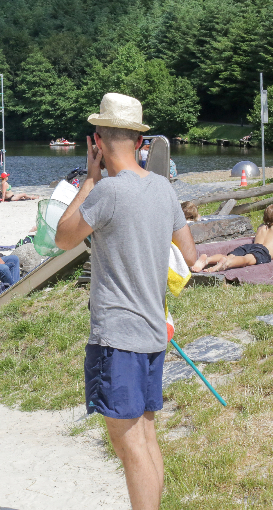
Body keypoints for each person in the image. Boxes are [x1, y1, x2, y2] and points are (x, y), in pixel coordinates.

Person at [54, 93, 196, 510]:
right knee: (146, 439)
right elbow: (188, 255)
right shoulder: (164, 190)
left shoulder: (106, 193)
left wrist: (89, 180)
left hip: (118, 337)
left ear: (97, 141)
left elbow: (62, 238)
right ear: (138, 140)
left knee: (129, 446)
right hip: (154, 333)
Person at [192, 204, 273, 273]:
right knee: (245, 260)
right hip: (263, 251)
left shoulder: (261, 227)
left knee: (228, 255)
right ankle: (227, 264)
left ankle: (207, 260)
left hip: (250, 246)